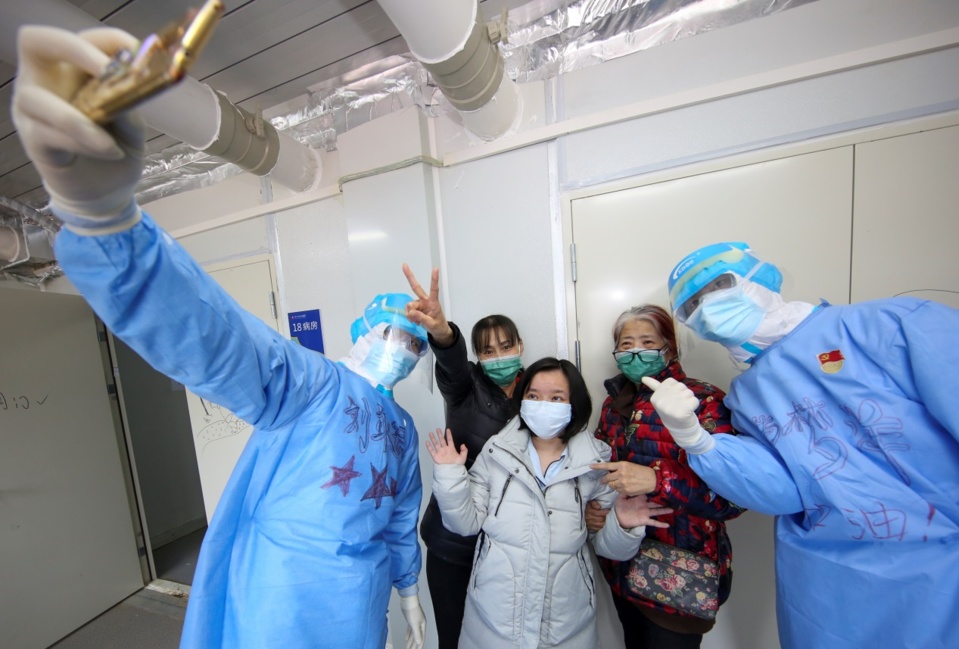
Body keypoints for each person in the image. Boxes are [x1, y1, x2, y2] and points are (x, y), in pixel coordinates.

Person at [12, 25, 428, 649]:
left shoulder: (400, 430)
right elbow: (216, 338)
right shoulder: (313, 387)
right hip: (281, 598)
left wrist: (409, 593)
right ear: (364, 329)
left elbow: (399, 519)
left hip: (359, 604)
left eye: (415, 344)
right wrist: (109, 224)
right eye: (396, 331)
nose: (404, 348)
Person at [646, 241, 959, 649]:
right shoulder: (746, 395)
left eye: (719, 285)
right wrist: (693, 437)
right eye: (692, 306)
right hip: (823, 584)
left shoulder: (890, 324)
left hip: (938, 568)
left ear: (763, 276)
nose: (707, 307)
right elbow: (783, 492)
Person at [426, 356, 674, 649]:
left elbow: (611, 549)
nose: (543, 405)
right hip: (492, 621)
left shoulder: (596, 463)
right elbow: (463, 524)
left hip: (565, 628)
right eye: (533, 396)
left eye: (556, 397)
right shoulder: (497, 451)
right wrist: (450, 476)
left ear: (574, 404)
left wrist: (622, 525)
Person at [586, 304, 744, 648]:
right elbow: (602, 473)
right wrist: (595, 508)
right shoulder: (613, 406)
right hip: (621, 566)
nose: (635, 351)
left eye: (647, 341)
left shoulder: (704, 400)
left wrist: (658, 480)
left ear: (669, 348)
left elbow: (735, 498)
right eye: (626, 344)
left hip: (681, 576)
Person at [402, 264, 526, 649]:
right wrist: (440, 329)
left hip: (509, 544)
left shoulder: (538, 390)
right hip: (453, 544)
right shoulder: (465, 384)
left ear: (520, 345)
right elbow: (452, 362)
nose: (498, 355)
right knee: (454, 639)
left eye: (506, 346)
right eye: (487, 350)